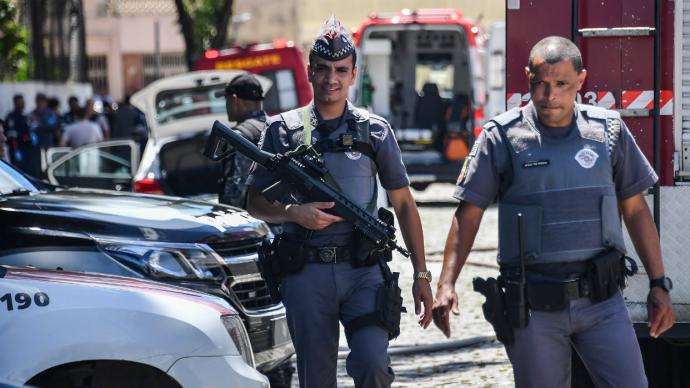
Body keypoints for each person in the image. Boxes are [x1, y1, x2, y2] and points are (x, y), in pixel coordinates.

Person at [432, 36, 675, 388]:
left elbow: (636, 211)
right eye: (540, 84)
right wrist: (445, 284)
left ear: (581, 80)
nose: (549, 96)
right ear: (527, 77)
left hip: (603, 304)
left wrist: (658, 283)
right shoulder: (501, 137)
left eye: (561, 84)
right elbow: (468, 215)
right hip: (534, 308)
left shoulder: (608, 131)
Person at [245, 16, 433, 388]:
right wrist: (292, 213)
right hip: (306, 274)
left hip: (363, 270)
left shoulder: (375, 130)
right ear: (310, 71)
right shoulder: (281, 130)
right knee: (316, 380)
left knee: (373, 364)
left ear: (353, 74)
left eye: (340, 70)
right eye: (324, 69)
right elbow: (253, 201)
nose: (332, 78)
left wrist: (422, 274)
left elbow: (404, 203)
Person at [215, 73, 267, 208]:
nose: (226, 105)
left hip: (252, 224)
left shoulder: (239, 137)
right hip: (281, 220)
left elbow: (233, 195)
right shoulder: (278, 126)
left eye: (226, 100)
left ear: (234, 99)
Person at [5, 94, 41, 177]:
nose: (22, 104)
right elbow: (12, 137)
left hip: (29, 151)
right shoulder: (12, 117)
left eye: (23, 102)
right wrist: (16, 151)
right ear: (15, 103)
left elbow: (31, 132)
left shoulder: (26, 116)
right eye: (20, 102)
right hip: (18, 149)